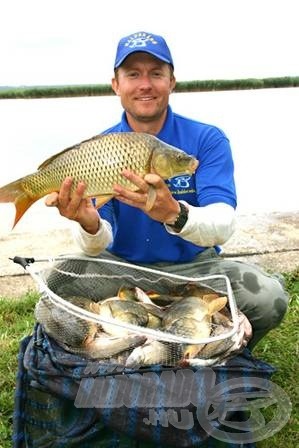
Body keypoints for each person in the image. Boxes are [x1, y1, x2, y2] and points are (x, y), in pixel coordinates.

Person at [46, 30, 288, 349]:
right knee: (56, 286)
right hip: (121, 266)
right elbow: (97, 243)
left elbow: (223, 224)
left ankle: (214, 352)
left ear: (171, 82)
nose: (145, 84)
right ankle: (122, 349)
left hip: (196, 269)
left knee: (270, 299)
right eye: (133, 74)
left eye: (156, 73)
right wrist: (88, 225)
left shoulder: (206, 140)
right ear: (116, 84)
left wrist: (176, 214)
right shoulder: (101, 149)